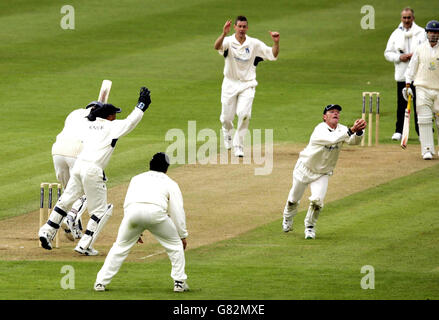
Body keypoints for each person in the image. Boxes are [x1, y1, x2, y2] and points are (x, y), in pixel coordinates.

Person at [38, 87, 152, 255]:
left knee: (66, 200)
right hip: (92, 170)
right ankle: (84, 245)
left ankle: (46, 231)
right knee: (101, 211)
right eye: (115, 114)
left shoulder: (87, 123)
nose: (116, 117)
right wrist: (141, 105)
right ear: (109, 116)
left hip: (79, 167)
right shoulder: (112, 127)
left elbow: (90, 116)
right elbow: (131, 122)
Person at [93, 152, 189, 293]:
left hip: (132, 214)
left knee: (119, 247)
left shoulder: (136, 178)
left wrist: (133, 227)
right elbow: (177, 210)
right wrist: (182, 235)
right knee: (175, 245)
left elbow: (128, 202)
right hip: (156, 214)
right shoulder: (170, 183)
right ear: (166, 168)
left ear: (150, 165)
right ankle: (179, 282)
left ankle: (100, 283)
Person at [282, 104, 366, 239]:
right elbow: (332, 139)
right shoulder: (319, 129)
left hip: (322, 173)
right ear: (324, 117)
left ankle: (309, 227)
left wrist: (359, 132)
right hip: (305, 168)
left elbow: (353, 141)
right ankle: (287, 218)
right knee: (293, 199)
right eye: (332, 112)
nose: (335, 114)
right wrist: (351, 130)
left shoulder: (342, 129)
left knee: (317, 201)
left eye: (337, 112)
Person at [214, 16, 279, 157]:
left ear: (247, 28)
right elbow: (216, 47)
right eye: (240, 26)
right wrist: (224, 33)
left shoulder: (254, 44)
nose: (242, 29)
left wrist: (276, 43)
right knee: (226, 118)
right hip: (230, 83)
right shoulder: (229, 41)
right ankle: (227, 132)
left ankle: (239, 145)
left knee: (245, 115)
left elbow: (272, 55)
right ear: (235, 27)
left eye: (244, 27)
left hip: (247, 84)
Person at [52, 102, 104, 242]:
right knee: (83, 191)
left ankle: (73, 227)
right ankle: (70, 218)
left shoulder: (74, 113)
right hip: (76, 152)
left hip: (57, 151)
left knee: (68, 191)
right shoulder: (98, 121)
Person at [384, 7, 426, 141]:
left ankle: (422, 133)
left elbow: (427, 49)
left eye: (409, 18)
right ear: (401, 19)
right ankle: (399, 131)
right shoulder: (396, 33)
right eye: (404, 18)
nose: (406, 20)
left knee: (419, 105)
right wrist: (399, 57)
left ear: (413, 18)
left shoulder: (421, 32)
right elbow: (387, 53)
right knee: (401, 104)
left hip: (419, 75)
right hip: (402, 74)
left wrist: (415, 55)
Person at [403, 20, 439, 160]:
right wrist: (407, 86)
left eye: (436, 32)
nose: (433, 35)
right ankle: (427, 150)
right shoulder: (420, 48)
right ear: (427, 33)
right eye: (431, 32)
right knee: (424, 119)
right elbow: (411, 69)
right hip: (422, 87)